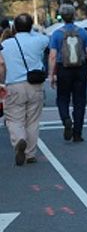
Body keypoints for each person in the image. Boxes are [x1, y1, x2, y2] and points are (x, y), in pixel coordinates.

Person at [0, 14, 49, 165]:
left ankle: (19, 139)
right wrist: (30, 30)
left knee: (14, 118)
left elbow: (1, 65)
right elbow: (45, 37)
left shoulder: (5, 45)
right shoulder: (39, 40)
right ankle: (30, 153)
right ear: (31, 26)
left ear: (14, 27)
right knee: (33, 120)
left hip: (14, 84)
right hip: (35, 84)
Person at [48, 4, 87, 142]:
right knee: (79, 101)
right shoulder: (83, 32)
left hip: (63, 69)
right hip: (80, 69)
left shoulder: (57, 34)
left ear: (61, 17)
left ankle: (66, 119)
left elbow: (52, 56)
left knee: (62, 98)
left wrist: (51, 75)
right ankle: (77, 133)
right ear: (74, 15)